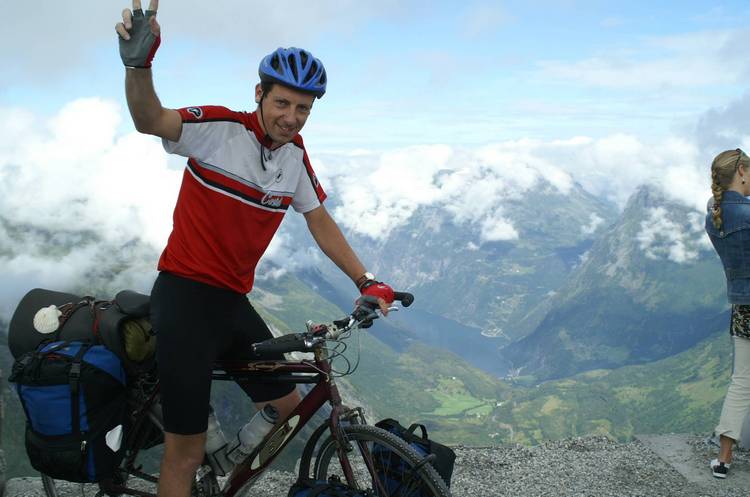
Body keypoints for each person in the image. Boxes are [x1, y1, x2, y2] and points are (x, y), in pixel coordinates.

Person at [115, 2, 395, 496]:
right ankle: (194, 464)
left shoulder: (294, 155)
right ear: (259, 94)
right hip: (184, 297)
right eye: (282, 103)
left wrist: (365, 280)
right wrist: (138, 66)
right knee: (182, 452)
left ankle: (221, 465)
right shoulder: (220, 130)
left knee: (287, 408)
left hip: (230, 302)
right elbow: (149, 119)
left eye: (303, 108)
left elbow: (318, 218)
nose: (292, 118)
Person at [705, 148, 750, 479]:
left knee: (742, 381)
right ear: (742, 172)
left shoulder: (714, 218)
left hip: (742, 308)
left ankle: (723, 459)